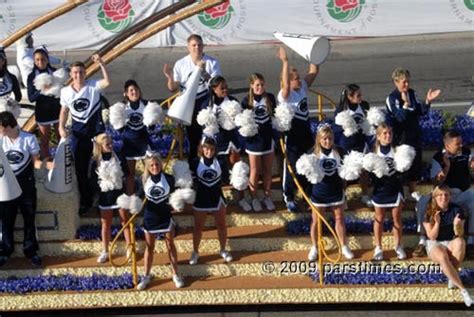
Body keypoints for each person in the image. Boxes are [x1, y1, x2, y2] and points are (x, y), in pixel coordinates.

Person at [58, 55, 109, 215]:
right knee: (80, 171)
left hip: (96, 134)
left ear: (85, 73)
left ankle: (107, 197)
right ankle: (86, 200)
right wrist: (60, 126)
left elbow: (107, 82)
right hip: (79, 135)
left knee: (105, 167)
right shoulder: (65, 91)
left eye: (81, 72)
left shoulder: (93, 86)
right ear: (71, 75)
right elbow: (64, 111)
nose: (78, 75)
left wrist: (101, 64)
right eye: (75, 72)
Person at [0, 111, 52, 267]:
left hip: (26, 185)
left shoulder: (28, 139)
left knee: (29, 218)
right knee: (6, 220)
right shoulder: (1, 140)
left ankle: (30, 251)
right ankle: (5, 250)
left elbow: (35, 162)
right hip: (7, 186)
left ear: (8, 126)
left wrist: (45, 165)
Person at [414, 130, 474, 258]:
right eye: (457, 144)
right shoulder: (438, 158)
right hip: (443, 194)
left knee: (473, 199)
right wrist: (446, 167)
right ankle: (422, 241)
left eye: (461, 143)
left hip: (461, 193)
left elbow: (471, 172)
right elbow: (436, 181)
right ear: (447, 146)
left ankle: (470, 242)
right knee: (422, 202)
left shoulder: (467, 153)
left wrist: (471, 168)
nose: (461, 146)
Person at [163, 34, 221, 165]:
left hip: (206, 101)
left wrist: (204, 72)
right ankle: (194, 166)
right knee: (193, 137)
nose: (197, 48)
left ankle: (211, 165)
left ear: (203, 46)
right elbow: (173, 88)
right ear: (188, 47)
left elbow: (217, 86)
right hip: (189, 104)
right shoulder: (181, 63)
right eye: (193, 45)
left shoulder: (212, 62)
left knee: (208, 135)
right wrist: (170, 77)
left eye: (199, 45)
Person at [385, 68, 441, 201]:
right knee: (402, 165)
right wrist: (405, 104)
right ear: (396, 82)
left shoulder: (411, 93)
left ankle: (413, 190)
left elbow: (419, 111)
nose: (407, 85)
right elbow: (399, 117)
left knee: (416, 163)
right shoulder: (392, 98)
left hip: (414, 134)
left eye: (408, 82)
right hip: (401, 137)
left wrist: (427, 101)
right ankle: (399, 192)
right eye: (404, 82)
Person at [277, 46, 319, 213]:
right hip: (292, 134)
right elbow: (286, 85)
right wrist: (285, 61)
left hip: (305, 132)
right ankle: (289, 197)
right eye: (295, 79)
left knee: (308, 164)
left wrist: (315, 54)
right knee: (291, 167)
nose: (299, 81)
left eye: (299, 78)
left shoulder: (302, 89)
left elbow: (313, 71)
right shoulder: (284, 94)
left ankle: (307, 196)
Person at [307, 125, 354, 261]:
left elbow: (348, 169)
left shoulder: (340, 151)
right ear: (319, 139)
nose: (327, 141)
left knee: (339, 219)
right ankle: (315, 247)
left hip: (336, 191)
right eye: (324, 139)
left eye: (330, 138)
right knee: (316, 221)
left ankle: (343, 245)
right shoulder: (312, 153)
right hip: (319, 192)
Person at [137, 154, 184, 290]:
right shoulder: (144, 180)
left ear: (161, 165)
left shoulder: (169, 179)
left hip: (165, 217)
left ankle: (175, 274)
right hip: (150, 217)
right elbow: (140, 197)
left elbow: (175, 195)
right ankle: (146, 275)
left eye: (157, 164)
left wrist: (177, 204)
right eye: (151, 165)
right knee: (150, 248)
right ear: (147, 167)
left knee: (170, 246)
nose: (155, 167)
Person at [422, 185, 473, 307]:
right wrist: (437, 222)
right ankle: (463, 290)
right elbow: (432, 236)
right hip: (435, 243)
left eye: (446, 195)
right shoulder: (428, 211)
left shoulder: (457, 210)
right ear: (435, 197)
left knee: (461, 242)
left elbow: (459, 234)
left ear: (450, 196)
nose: (443, 197)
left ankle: (452, 276)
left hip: (451, 241)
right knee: (443, 257)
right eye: (440, 195)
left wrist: (457, 225)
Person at [205, 76, 250, 212]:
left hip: (232, 140)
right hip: (217, 142)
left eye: (226, 87)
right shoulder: (208, 105)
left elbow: (240, 120)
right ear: (214, 90)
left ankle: (241, 198)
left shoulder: (233, 101)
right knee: (216, 172)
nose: (225, 90)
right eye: (221, 88)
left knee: (238, 170)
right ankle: (218, 200)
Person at [189, 136, 232, 265]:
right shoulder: (195, 162)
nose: (209, 151)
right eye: (206, 148)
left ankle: (223, 250)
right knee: (198, 228)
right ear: (202, 149)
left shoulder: (221, 161)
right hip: (201, 198)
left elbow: (226, 178)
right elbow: (190, 180)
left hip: (217, 197)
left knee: (221, 225)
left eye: (212, 149)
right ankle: (195, 252)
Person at [91, 133, 131, 263]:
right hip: (105, 197)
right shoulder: (95, 161)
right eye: (107, 144)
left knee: (125, 221)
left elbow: (127, 174)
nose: (111, 145)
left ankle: (130, 248)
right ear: (100, 146)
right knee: (105, 224)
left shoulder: (119, 157)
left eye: (111, 143)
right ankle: (105, 251)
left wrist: (129, 194)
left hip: (120, 194)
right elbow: (92, 180)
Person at [370, 123, 407, 260]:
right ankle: (378, 247)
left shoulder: (397, 150)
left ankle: (398, 246)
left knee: (396, 218)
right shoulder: (373, 153)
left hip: (395, 188)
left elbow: (404, 170)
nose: (388, 136)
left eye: (390, 133)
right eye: (384, 133)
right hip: (380, 189)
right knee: (378, 218)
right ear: (378, 136)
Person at [240, 73, 276, 212]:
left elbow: (275, 117)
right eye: (257, 85)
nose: (260, 87)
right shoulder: (246, 101)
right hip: (254, 141)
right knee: (254, 170)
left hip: (267, 138)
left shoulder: (270, 98)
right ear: (251, 86)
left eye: (262, 84)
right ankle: (254, 198)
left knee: (267, 170)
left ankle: (267, 196)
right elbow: (243, 122)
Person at [334, 84, 371, 206]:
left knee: (364, 170)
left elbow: (368, 121)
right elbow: (336, 129)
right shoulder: (341, 110)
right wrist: (346, 127)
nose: (361, 97)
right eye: (358, 95)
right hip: (346, 145)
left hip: (361, 142)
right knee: (344, 172)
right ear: (350, 96)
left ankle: (364, 195)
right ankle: (342, 196)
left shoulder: (364, 106)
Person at [26, 46, 61, 159]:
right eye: (37, 60)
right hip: (43, 112)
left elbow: (61, 91)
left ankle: (63, 159)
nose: (40, 62)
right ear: (34, 61)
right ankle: (47, 162)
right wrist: (42, 90)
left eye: (43, 59)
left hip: (57, 110)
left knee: (61, 138)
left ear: (47, 59)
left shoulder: (54, 72)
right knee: (44, 141)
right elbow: (31, 98)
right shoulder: (31, 76)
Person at [119, 80, 153, 195]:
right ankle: (130, 201)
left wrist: (152, 123)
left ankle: (150, 198)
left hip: (144, 142)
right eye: (131, 90)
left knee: (149, 172)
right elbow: (119, 129)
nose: (134, 92)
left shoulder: (147, 105)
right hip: (129, 144)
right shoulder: (122, 108)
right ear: (126, 93)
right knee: (130, 175)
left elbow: (152, 127)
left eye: (136, 89)